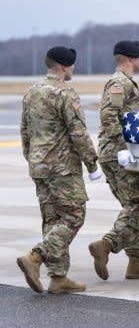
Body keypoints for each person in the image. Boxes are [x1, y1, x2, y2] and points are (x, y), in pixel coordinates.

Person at [17, 46, 101, 294]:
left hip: (39, 165)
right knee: (74, 216)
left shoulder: (32, 91)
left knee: (53, 220)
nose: (73, 69)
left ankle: (58, 276)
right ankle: (36, 257)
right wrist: (92, 163)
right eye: (72, 66)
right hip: (62, 168)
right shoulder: (65, 93)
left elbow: (25, 130)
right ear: (65, 67)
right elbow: (78, 132)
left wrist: (32, 158)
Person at [88, 40, 139, 281]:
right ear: (132, 59)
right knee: (138, 205)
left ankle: (135, 262)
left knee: (132, 206)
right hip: (120, 154)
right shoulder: (119, 83)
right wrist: (121, 148)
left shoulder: (124, 82)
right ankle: (106, 245)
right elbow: (109, 115)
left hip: (119, 153)